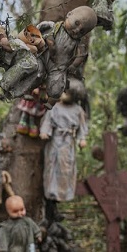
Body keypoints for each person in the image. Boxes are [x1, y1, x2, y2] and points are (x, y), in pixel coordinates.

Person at [39, 88, 88, 221]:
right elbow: (48, 121)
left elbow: (82, 126)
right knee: (51, 173)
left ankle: (58, 202)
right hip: (55, 143)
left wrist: (82, 139)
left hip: (68, 145)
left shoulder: (78, 110)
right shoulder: (54, 107)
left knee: (65, 173)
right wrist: (45, 131)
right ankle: (50, 206)